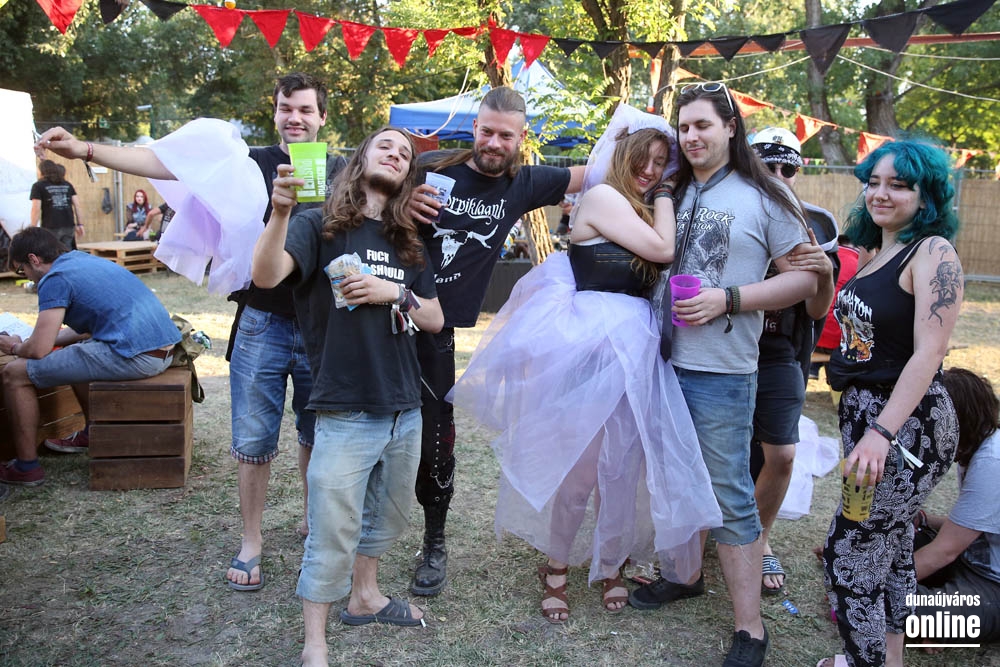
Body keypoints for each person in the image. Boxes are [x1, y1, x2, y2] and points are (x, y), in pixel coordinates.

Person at [34, 72, 346, 593]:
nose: (295, 118)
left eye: (305, 109)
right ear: (274, 112)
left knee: (316, 434)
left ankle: (313, 522)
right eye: (286, 108)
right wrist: (84, 149)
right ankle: (251, 541)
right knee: (253, 440)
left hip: (322, 325)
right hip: (262, 322)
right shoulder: (250, 163)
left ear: (322, 116)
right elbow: (163, 161)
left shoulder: (341, 171)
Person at [449, 105, 721, 623]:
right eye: (642, 159)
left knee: (621, 471)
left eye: (661, 163)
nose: (650, 171)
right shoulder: (602, 198)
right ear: (621, 156)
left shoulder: (643, 209)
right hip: (589, 353)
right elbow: (664, 249)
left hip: (634, 356)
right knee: (579, 473)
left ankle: (610, 564)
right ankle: (555, 567)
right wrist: (667, 193)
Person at [626, 82, 818, 667]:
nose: (691, 136)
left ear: (731, 127)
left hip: (722, 371)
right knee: (675, 481)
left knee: (729, 494)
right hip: (662, 361)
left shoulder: (767, 196)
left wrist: (728, 298)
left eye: (703, 125)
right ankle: (685, 576)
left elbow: (803, 280)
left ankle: (750, 629)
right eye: (684, 127)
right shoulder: (674, 189)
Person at [251, 127, 443, 667]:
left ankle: (365, 596)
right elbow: (265, 275)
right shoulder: (318, 225)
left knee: (389, 516)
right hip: (344, 407)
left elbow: (434, 316)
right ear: (361, 158)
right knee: (332, 529)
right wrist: (280, 213)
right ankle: (315, 642)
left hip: (404, 405)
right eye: (386, 146)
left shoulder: (408, 240)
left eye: (404, 154)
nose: (395, 154)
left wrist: (394, 292)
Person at [405, 86, 585, 597]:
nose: (493, 143)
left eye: (506, 135)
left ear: (521, 138)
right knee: (368, 428)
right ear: (475, 127)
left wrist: (664, 161)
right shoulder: (432, 166)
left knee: (437, 439)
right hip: (386, 313)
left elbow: (596, 173)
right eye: (486, 131)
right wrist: (402, 198)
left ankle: (434, 542)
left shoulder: (523, 183)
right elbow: (366, 188)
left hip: (438, 329)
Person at [819, 139, 964, 667]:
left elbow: (929, 352)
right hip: (870, 419)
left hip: (905, 426)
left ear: (926, 197)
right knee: (894, 544)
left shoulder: (933, 252)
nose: (881, 193)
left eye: (899, 185)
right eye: (874, 182)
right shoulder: (876, 252)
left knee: (850, 553)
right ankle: (891, 658)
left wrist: (881, 433)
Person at [0, 227, 179, 486]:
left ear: (34, 259)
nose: (26, 277)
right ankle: (91, 433)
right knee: (76, 353)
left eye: (21, 270)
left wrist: (15, 347)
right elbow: (82, 330)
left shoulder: (54, 278)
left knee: (14, 374)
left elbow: (38, 351)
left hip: (138, 356)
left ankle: (26, 467)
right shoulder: (82, 261)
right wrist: (36, 341)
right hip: (162, 349)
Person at [747, 128, 837, 593]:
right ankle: (702, 536)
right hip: (722, 346)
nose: (780, 176)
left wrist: (824, 275)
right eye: (769, 166)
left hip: (779, 348)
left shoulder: (814, 224)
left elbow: (817, 311)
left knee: (780, 453)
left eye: (789, 168)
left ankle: (759, 540)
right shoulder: (730, 207)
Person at [911, 367, 1000, 646]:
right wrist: (923, 519)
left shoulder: (991, 463)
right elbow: (973, 528)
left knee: (888, 603)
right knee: (883, 547)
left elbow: (943, 552)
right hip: (969, 559)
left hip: (992, 586)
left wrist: (866, 587)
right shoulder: (979, 447)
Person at [812, 234, 860, 378]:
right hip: (841, 343)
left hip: (812, 338)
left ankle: (813, 369)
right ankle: (834, 378)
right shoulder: (861, 263)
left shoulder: (823, 257)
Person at [30, 159, 83, 250]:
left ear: (42, 171)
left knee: (51, 253)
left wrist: (33, 228)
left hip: (50, 226)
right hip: (68, 225)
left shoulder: (38, 186)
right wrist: (80, 224)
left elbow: (36, 208)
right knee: (67, 252)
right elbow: (77, 205)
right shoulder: (67, 185)